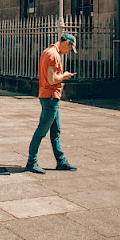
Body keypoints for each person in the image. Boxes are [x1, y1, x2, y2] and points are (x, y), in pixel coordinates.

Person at [25, 33, 78, 174]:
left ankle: (61, 161)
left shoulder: (47, 52)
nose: (68, 52)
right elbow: (52, 79)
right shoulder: (53, 55)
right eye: (70, 48)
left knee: (55, 131)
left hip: (49, 96)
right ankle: (31, 162)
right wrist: (65, 75)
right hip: (50, 97)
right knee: (42, 130)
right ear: (66, 42)